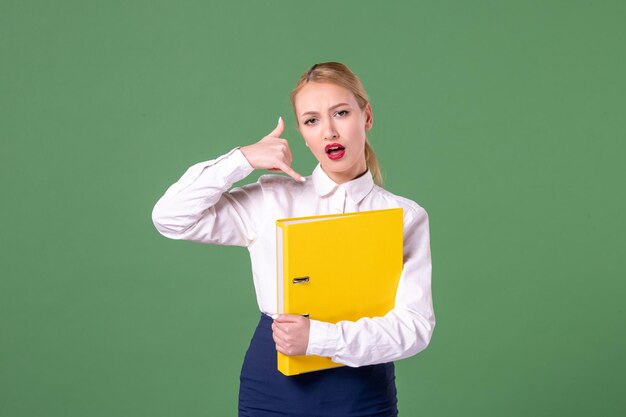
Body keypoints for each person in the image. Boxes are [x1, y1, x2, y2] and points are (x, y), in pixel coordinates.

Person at [151, 62, 435, 417]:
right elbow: (170, 217)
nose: (329, 131)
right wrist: (242, 159)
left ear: (367, 116)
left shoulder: (404, 217)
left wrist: (317, 339)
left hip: (360, 390)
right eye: (312, 120)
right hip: (272, 386)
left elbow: (415, 327)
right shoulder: (271, 199)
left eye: (341, 113)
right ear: (301, 132)